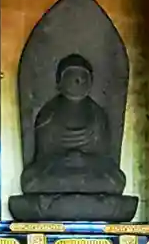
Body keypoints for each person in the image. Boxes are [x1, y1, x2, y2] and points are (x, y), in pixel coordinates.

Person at [19, 53, 127, 197]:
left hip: (89, 173)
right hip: (58, 173)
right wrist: (63, 160)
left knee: (116, 181)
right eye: (71, 75)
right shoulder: (48, 115)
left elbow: (105, 160)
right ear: (59, 81)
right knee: (30, 181)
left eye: (83, 77)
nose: (78, 80)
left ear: (91, 82)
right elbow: (41, 160)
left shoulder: (97, 116)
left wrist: (85, 160)